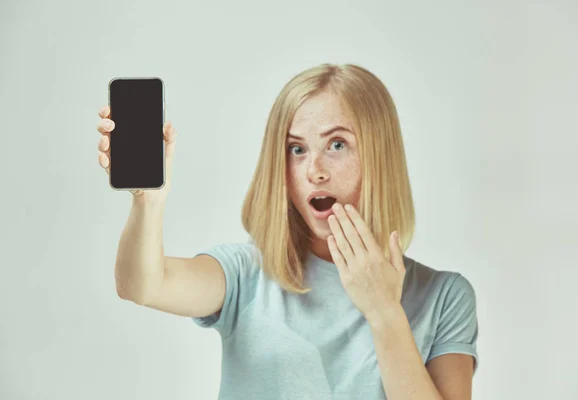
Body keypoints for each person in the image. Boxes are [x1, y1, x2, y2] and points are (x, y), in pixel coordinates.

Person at [97, 63, 479, 400]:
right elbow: (141, 285)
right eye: (297, 149)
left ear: (379, 155)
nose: (315, 170)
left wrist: (384, 312)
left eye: (337, 144)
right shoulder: (244, 274)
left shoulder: (444, 297)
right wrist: (148, 202)